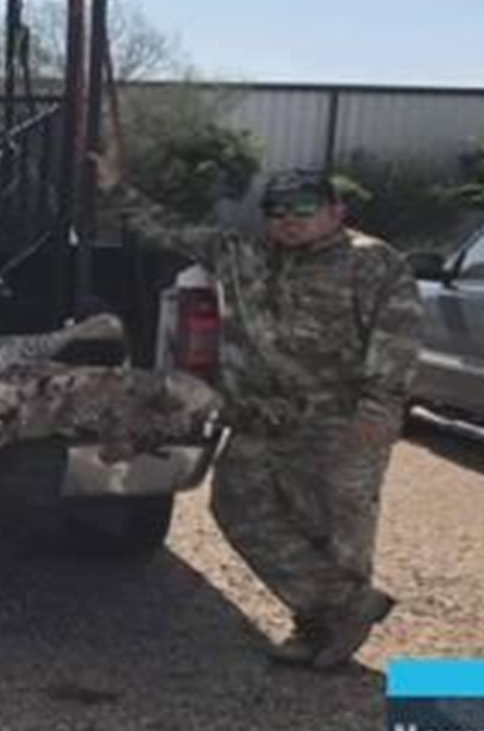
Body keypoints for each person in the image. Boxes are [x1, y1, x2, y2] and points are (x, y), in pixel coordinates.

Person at [94, 149, 423, 671]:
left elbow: (397, 337)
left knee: (334, 529)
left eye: (304, 209)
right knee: (239, 507)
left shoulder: (372, 262)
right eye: (278, 211)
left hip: (337, 421)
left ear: (336, 212)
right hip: (259, 418)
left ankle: (321, 631)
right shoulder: (241, 253)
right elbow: (165, 229)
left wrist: (379, 409)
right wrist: (115, 188)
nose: (289, 221)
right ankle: (342, 607)